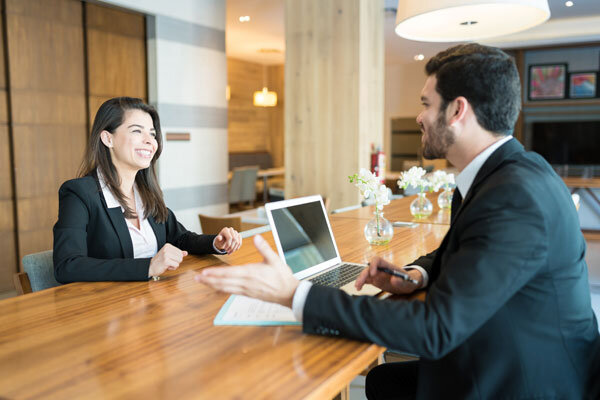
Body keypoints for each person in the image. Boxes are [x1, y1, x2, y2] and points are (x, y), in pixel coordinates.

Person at [195, 44, 600, 399]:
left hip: (523, 380)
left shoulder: (514, 197)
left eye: (426, 104)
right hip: (500, 346)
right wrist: (416, 275)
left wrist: (294, 295)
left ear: (458, 110)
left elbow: (436, 329)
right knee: (382, 381)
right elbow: (460, 249)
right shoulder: (506, 173)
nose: (419, 117)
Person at [54, 97, 242, 283]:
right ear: (107, 138)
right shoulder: (79, 193)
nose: (150, 141)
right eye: (137, 131)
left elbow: (181, 238)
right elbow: (68, 266)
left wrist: (215, 243)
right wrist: (149, 267)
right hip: (107, 307)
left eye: (152, 134)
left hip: (151, 301)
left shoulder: (146, 192)